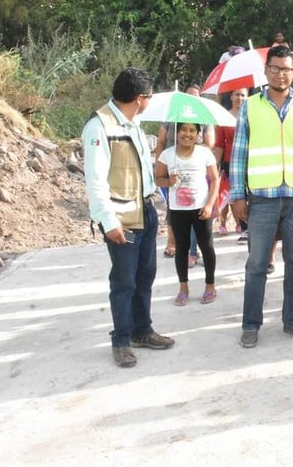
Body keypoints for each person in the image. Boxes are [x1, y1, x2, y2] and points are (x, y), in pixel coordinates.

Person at [229, 45, 293, 348]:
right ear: (266, 70)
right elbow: (238, 154)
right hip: (262, 197)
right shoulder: (251, 106)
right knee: (257, 263)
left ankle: (292, 319)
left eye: (287, 69)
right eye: (275, 68)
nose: (281, 74)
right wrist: (237, 195)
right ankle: (251, 324)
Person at [82, 67, 174, 367]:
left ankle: (142, 330)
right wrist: (108, 221)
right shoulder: (100, 127)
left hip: (144, 209)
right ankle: (121, 340)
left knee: (145, 275)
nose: (149, 102)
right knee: (124, 281)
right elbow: (95, 181)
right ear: (139, 98)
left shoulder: (133, 123)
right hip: (121, 215)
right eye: (148, 97)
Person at [155, 122, 219, 306]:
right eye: (183, 130)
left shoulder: (204, 153)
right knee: (181, 248)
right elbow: (158, 178)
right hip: (177, 210)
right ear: (177, 132)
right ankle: (183, 288)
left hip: (201, 209)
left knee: (206, 246)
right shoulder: (167, 155)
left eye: (192, 130)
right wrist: (169, 181)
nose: (187, 134)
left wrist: (209, 205)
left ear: (198, 134)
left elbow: (215, 180)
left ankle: (210, 286)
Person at [215, 87, 248, 238]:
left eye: (243, 95)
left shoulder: (251, 116)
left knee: (250, 196)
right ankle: (239, 225)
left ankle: (247, 226)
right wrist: (216, 166)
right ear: (231, 97)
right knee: (233, 196)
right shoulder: (223, 118)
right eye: (237, 94)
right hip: (229, 162)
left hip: (249, 162)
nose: (239, 98)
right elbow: (220, 144)